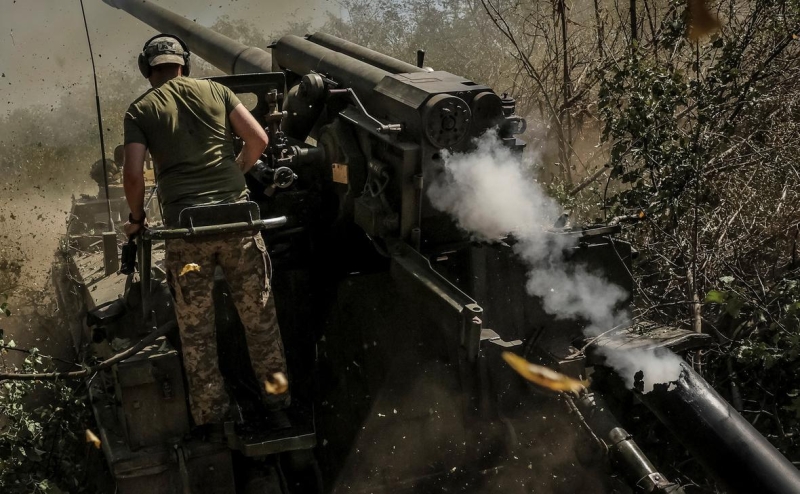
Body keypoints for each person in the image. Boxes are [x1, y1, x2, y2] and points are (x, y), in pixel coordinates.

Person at [121, 34, 289, 429]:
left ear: (148, 69)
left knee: (197, 333)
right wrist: (238, 172)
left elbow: (132, 176)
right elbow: (259, 139)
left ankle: (213, 419)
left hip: (187, 234)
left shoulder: (140, 109)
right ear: (185, 63)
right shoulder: (216, 90)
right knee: (262, 323)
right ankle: (279, 408)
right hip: (240, 223)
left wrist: (137, 220)